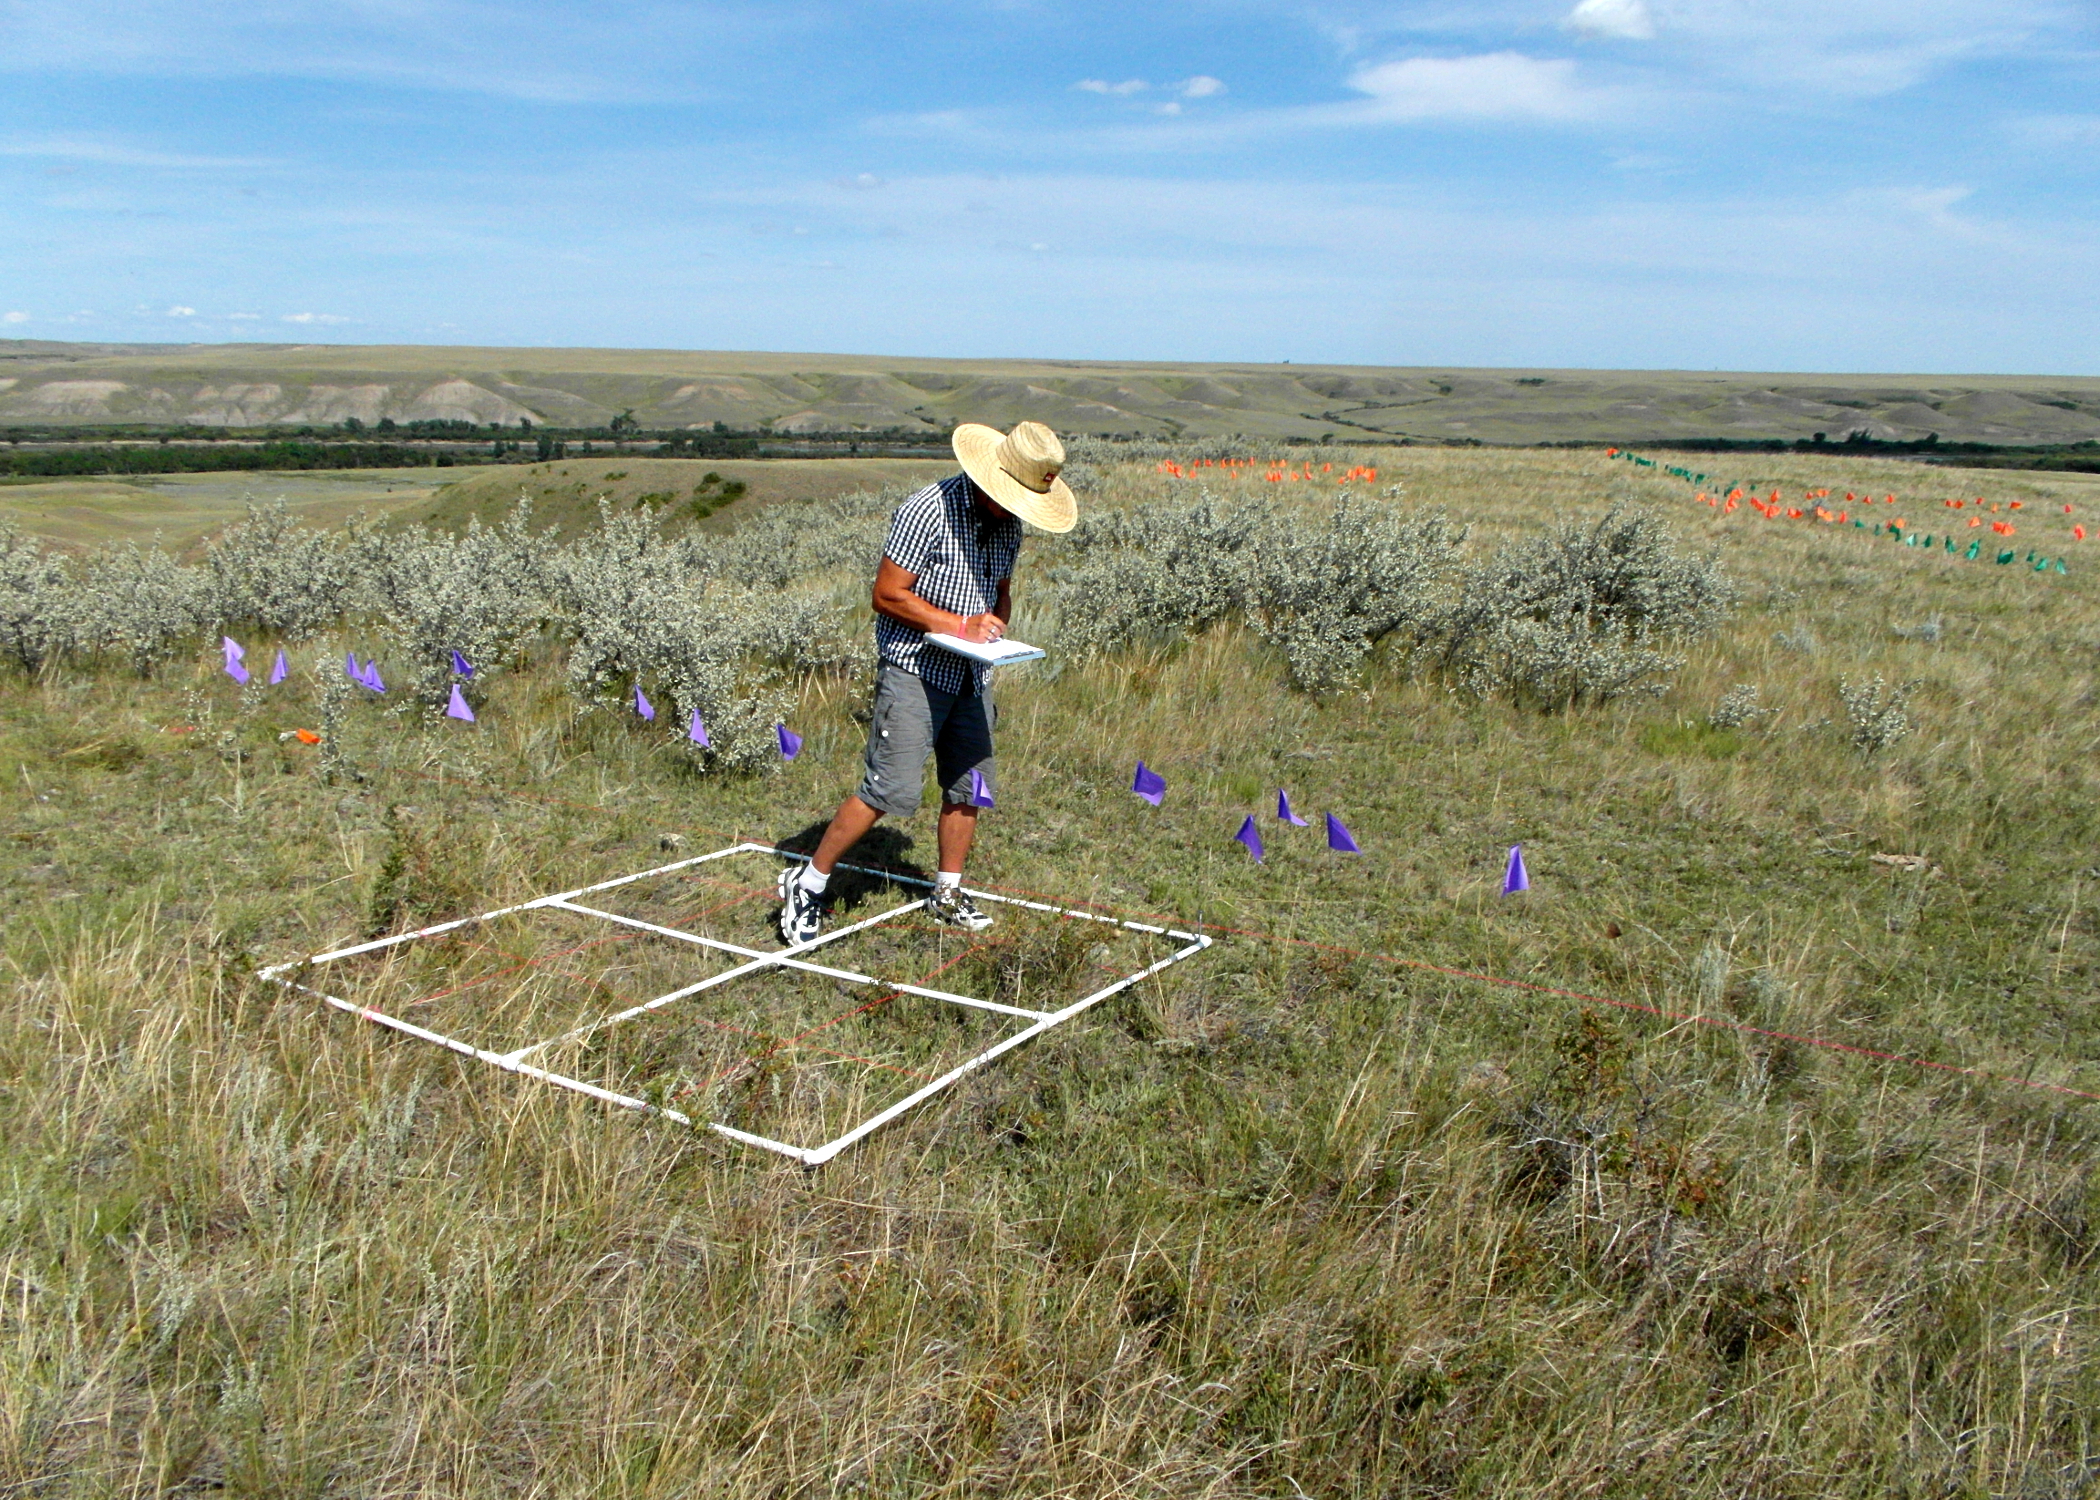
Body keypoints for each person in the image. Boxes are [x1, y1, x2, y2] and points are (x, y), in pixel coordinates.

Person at [777, 420, 1077, 945]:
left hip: (972, 671)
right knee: (888, 789)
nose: (1015, 509)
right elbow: (888, 594)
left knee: (971, 786)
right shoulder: (928, 511)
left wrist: (996, 622)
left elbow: (1001, 589)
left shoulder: (1009, 523)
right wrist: (961, 625)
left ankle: (948, 892)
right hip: (914, 668)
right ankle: (808, 882)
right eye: (1013, 498)